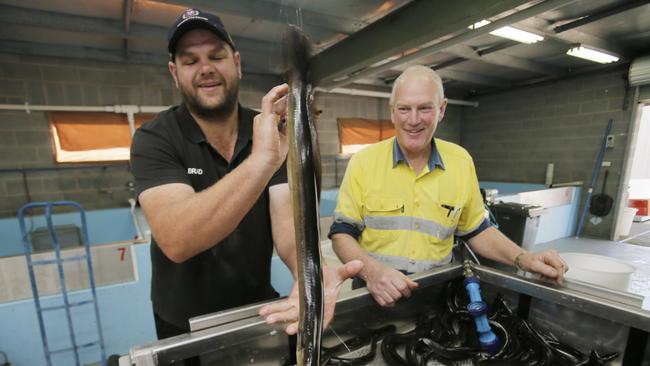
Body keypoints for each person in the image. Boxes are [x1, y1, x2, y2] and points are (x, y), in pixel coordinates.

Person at [130, 7, 362, 354]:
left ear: (236, 62)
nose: (206, 68)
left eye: (216, 56)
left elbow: (289, 226)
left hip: (257, 312)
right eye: (190, 60)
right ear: (174, 73)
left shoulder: (271, 129)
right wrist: (261, 161)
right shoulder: (155, 138)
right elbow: (177, 239)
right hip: (184, 327)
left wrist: (309, 272)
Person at [329, 65, 568, 307]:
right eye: (404, 109)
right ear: (392, 112)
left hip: (437, 298)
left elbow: (476, 229)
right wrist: (373, 273)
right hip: (374, 296)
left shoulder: (460, 162)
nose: (413, 120)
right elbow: (341, 234)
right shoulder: (364, 162)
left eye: (424, 108)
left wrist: (524, 258)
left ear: (441, 109)